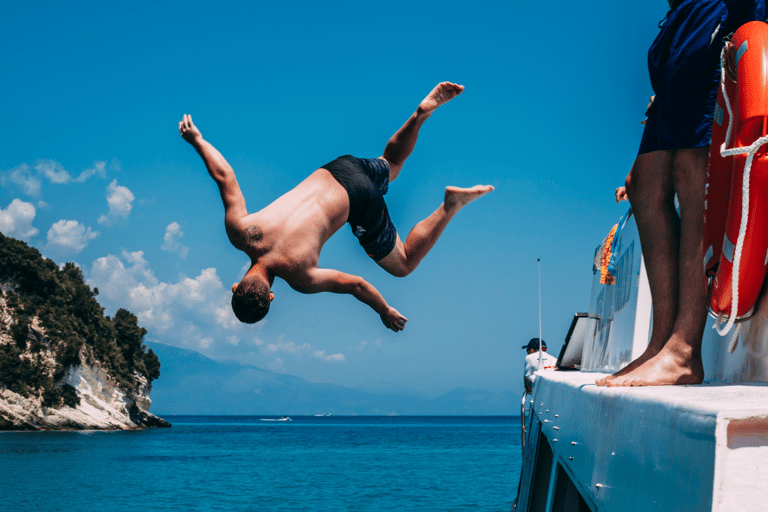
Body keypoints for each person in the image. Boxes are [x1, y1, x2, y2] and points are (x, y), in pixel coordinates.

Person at [179, 82, 494, 332]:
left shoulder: (301, 277)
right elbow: (225, 176)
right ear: (235, 286)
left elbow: (356, 285)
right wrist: (197, 140)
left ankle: (449, 206)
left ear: (272, 297)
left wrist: (384, 311)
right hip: (337, 169)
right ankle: (419, 115)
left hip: (356, 200)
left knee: (405, 263)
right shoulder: (241, 232)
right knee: (392, 164)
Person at [597, 0, 765, 387]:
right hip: (679, 23)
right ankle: (660, 341)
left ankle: (684, 349)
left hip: (714, 11)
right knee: (644, 184)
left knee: (693, 174)